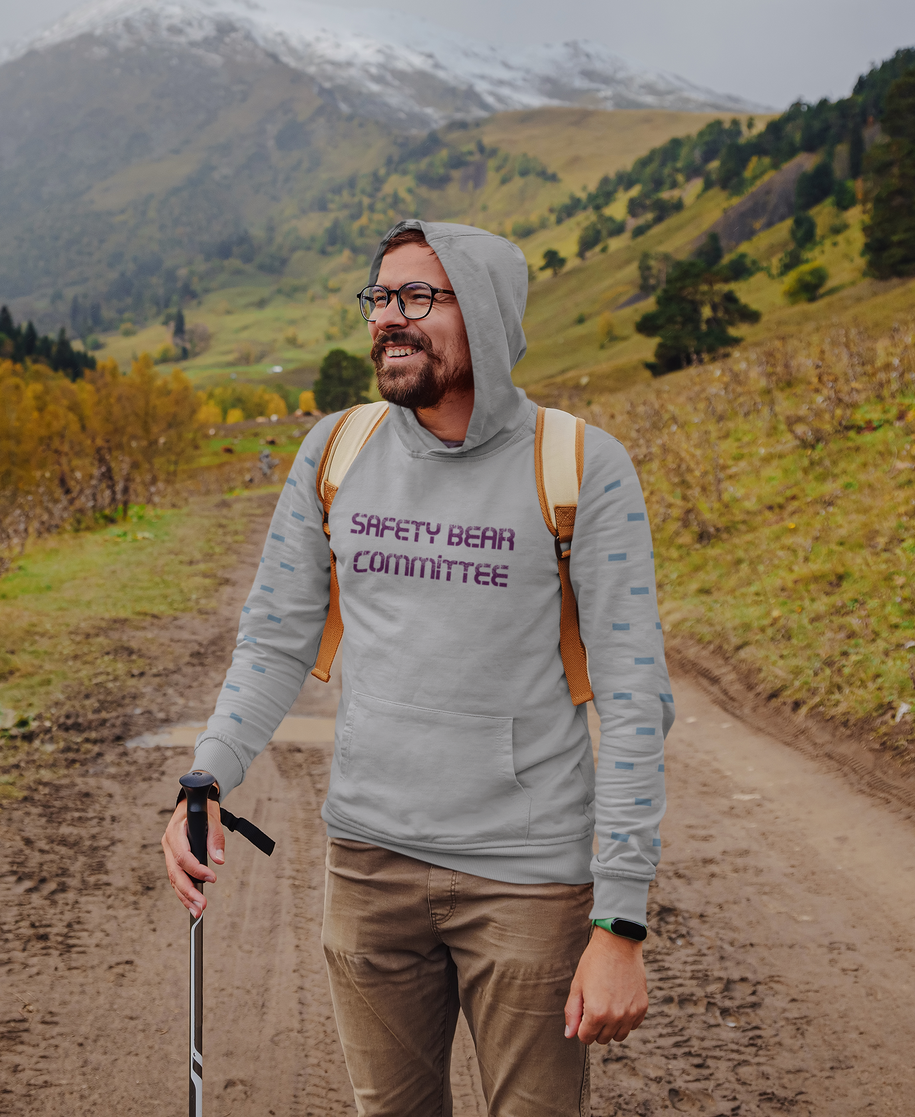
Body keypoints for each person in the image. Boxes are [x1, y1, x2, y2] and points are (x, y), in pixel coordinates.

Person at [162, 220, 673, 1116]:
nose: (388, 320)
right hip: (368, 869)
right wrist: (206, 773)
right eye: (379, 298)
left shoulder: (580, 466)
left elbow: (634, 699)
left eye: (417, 298)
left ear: (484, 310)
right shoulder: (335, 451)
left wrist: (619, 920)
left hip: (529, 880)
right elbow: (274, 639)